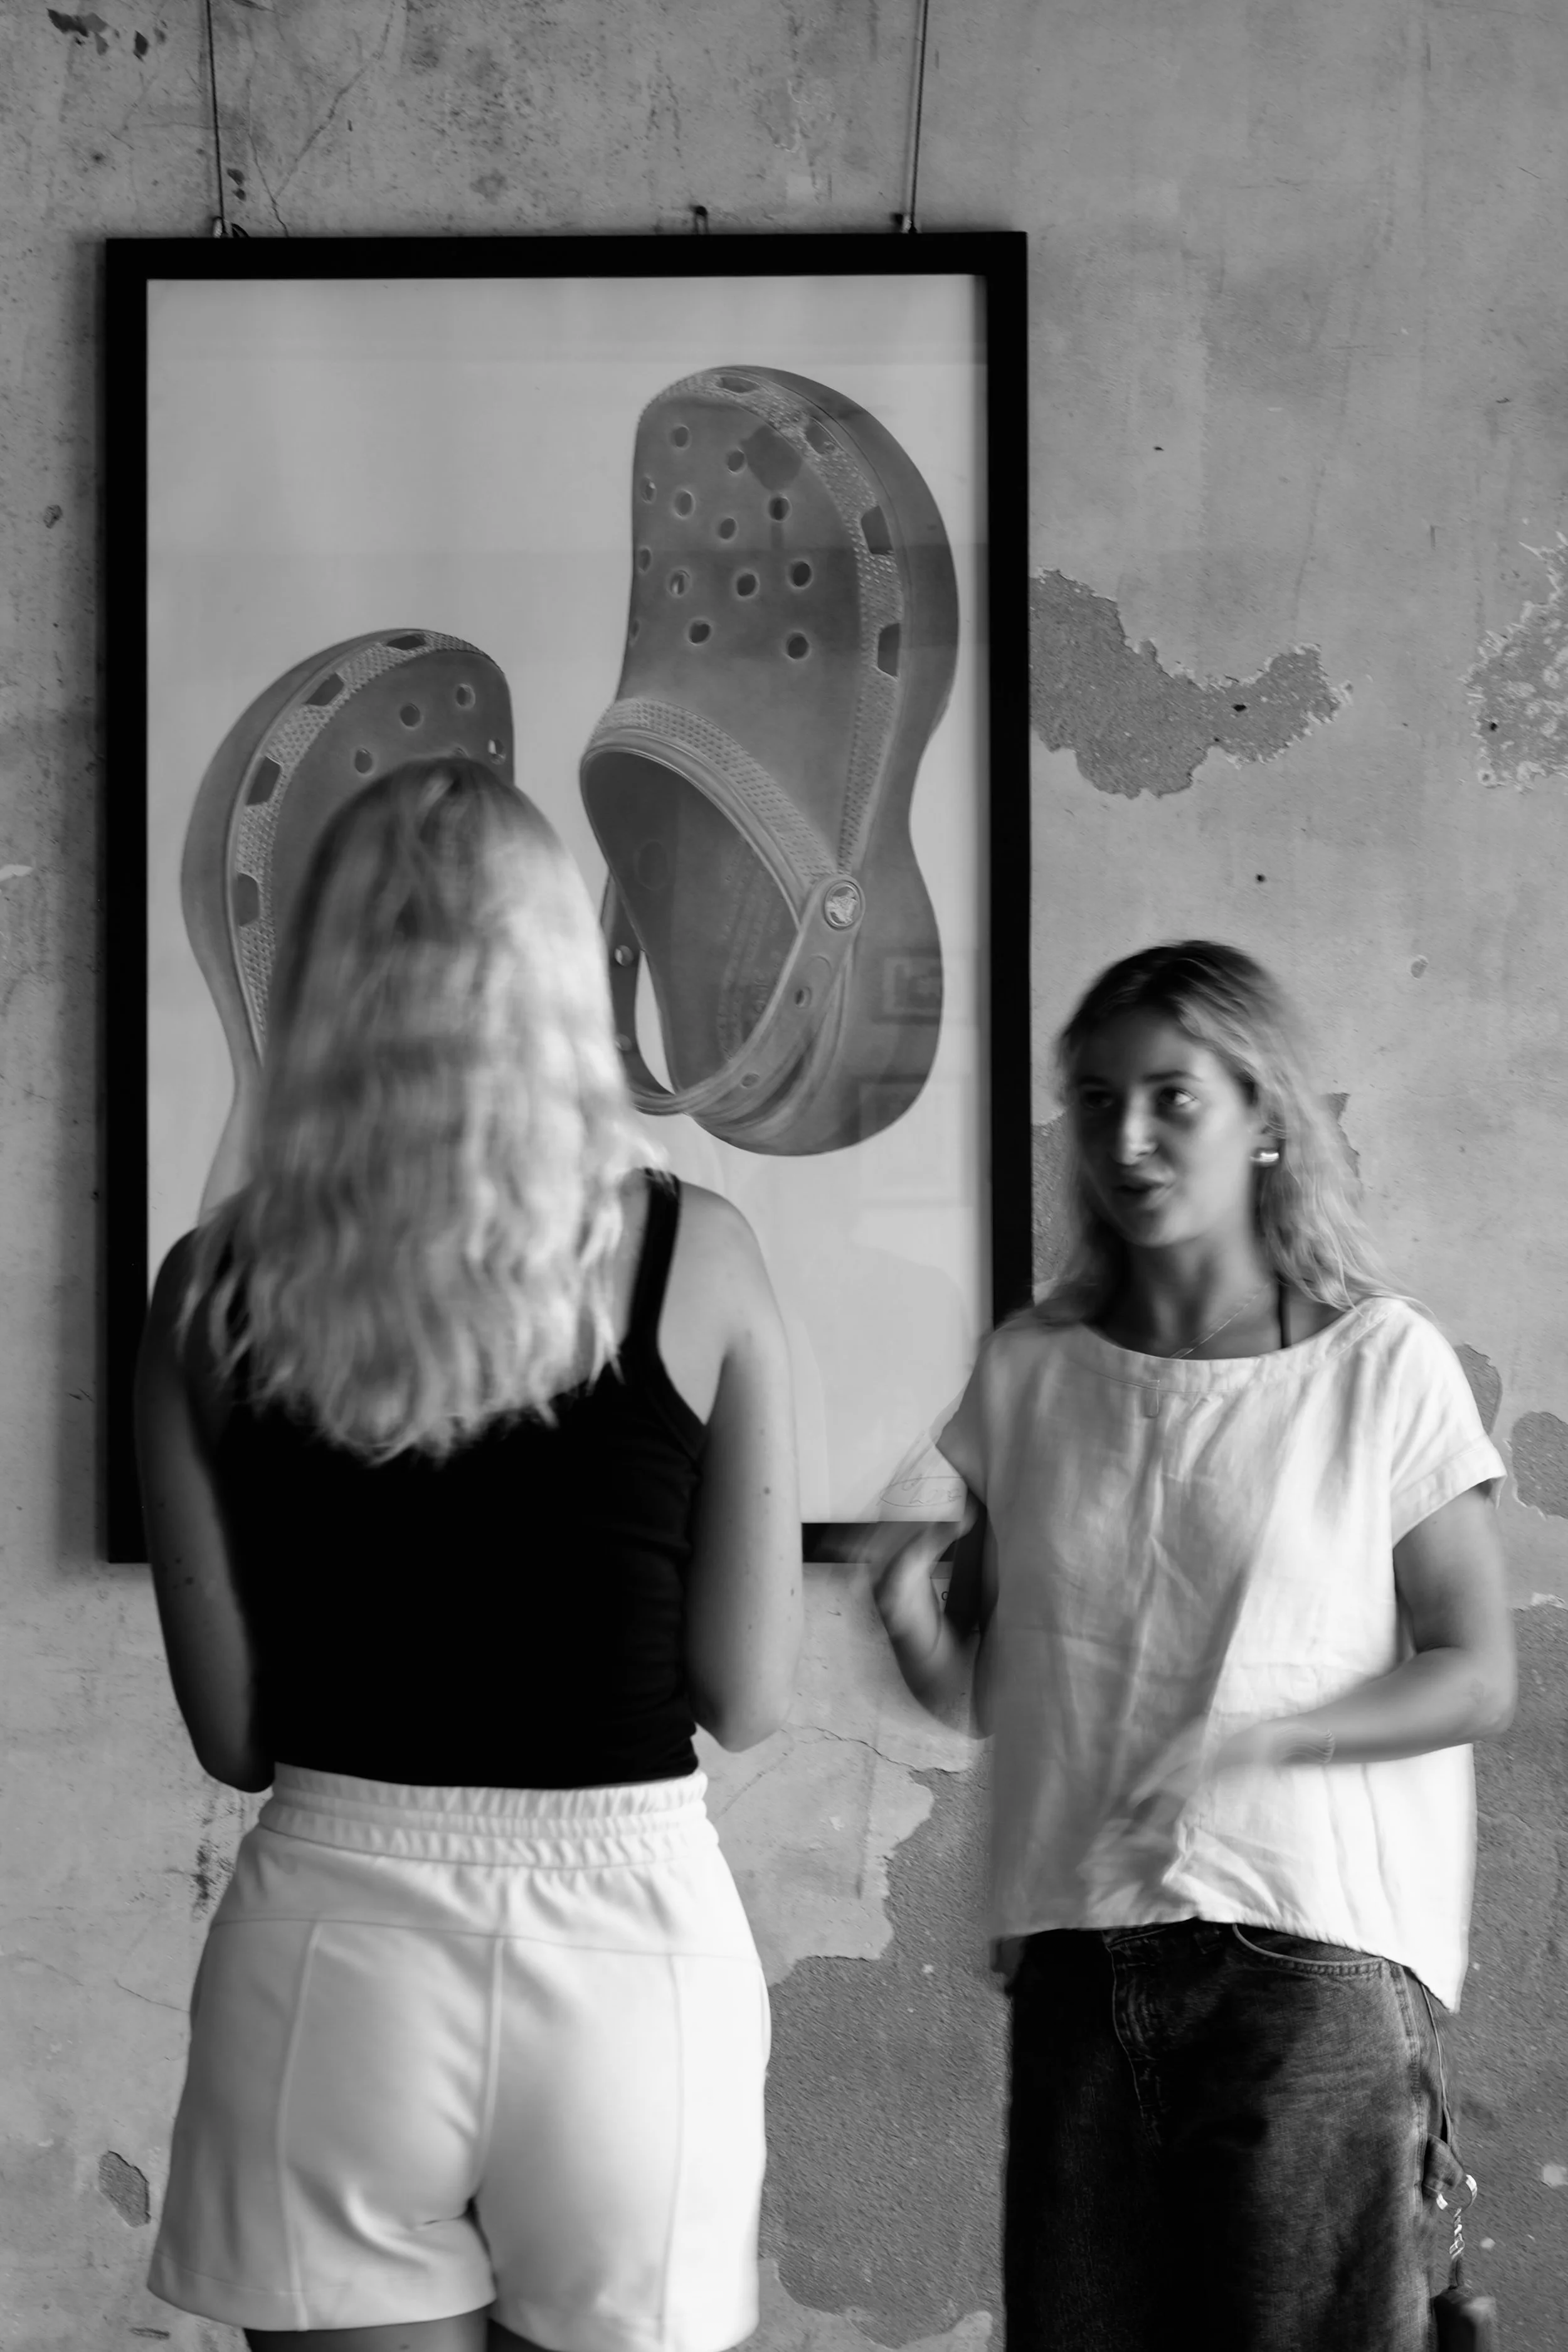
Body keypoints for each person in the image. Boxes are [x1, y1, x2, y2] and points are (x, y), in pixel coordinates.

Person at [135, 757, 802, 2352]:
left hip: (335, 1944)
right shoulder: (698, 1255)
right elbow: (748, 1693)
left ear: (319, 979)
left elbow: (235, 1741)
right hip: (629, 1947)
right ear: (558, 969)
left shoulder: (206, 1291)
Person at [869, 940, 1514, 2352]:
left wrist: (1262, 1742)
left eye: (1173, 1098)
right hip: (1078, 1951)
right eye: (1097, 1100)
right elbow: (993, 1690)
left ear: (1263, 1116)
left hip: (1308, 1956)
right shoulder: (1030, 1370)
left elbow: (1476, 1671)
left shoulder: (1376, 1363)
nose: (1124, 1138)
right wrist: (914, 1625)